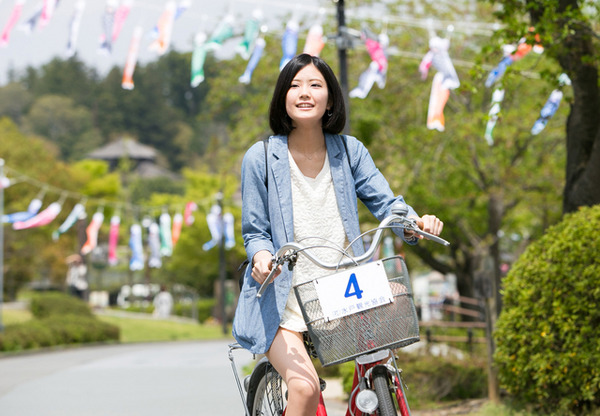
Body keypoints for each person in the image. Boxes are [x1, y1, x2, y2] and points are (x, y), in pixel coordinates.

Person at [232, 53, 444, 416]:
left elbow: (387, 203)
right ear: (283, 96)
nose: (304, 93)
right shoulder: (261, 158)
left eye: (315, 85)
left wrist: (414, 222)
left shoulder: (349, 151)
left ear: (330, 99)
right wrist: (262, 257)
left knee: (386, 359)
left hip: (344, 291)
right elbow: (256, 232)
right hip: (285, 300)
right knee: (304, 388)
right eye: (295, 85)